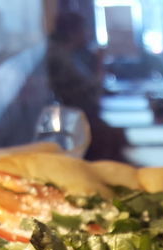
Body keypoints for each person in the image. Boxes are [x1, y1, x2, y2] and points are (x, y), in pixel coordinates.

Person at [46, 11, 124, 160]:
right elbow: (91, 92)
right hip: (77, 118)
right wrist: (100, 63)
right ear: (73, 32)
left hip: (78, 116)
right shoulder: (60, 56)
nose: (87, 34)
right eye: (84, 29)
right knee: (114, 139)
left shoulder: (69, 53)